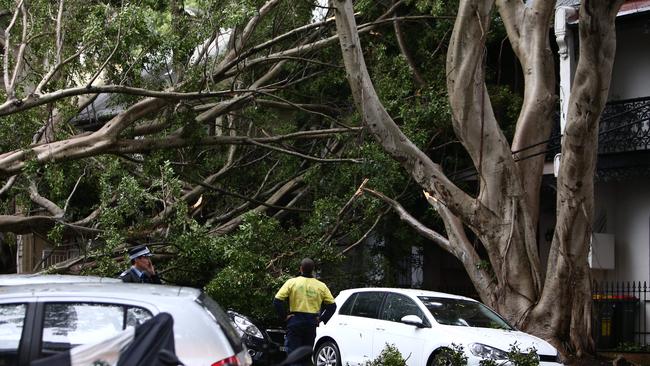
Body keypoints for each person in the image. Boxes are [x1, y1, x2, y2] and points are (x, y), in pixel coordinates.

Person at [273, 258, 337, 365]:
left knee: (293, 355)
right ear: (313, 270)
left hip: (295, 322)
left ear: (301, 268)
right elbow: (332, 306)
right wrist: (321, 319)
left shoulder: (292, 282)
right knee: (306, 356)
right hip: (311, 323)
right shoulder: (321, 286)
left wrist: (284, 316)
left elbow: (277, 301)